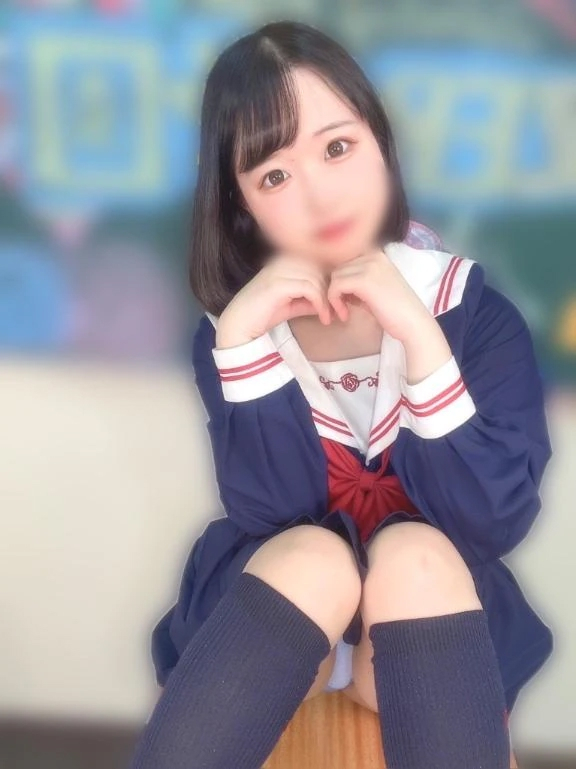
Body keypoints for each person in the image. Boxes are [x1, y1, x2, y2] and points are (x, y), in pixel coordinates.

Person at [129, 20, 553, 769]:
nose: (320, 195)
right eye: (274, 176)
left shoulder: (473, 311)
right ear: (240, 203)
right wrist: (244, 344)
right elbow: (272, 511)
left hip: (429, 613)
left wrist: (419, 337)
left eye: (337, 148)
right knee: (312, 557)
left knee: (418, 553)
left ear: (380, 143)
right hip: (286, 607)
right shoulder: (233, 329)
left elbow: (490, 521)